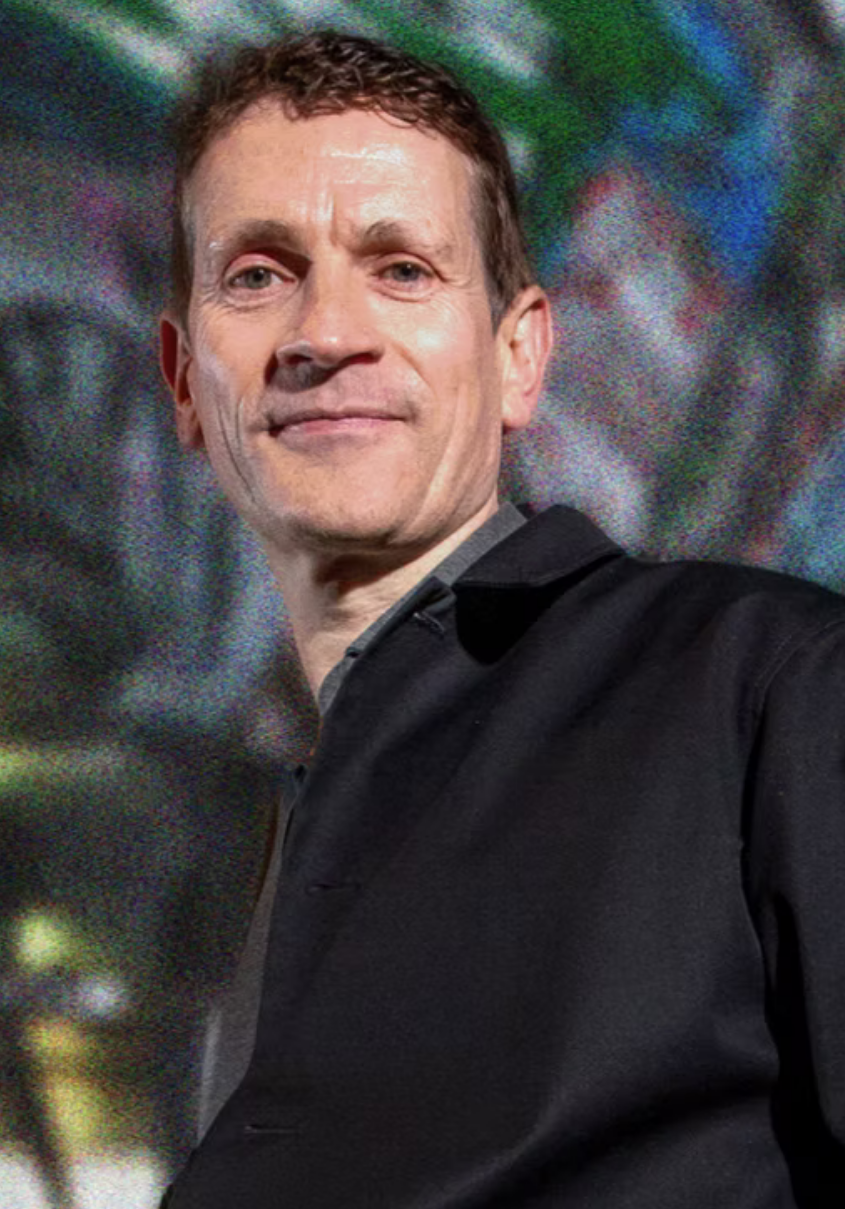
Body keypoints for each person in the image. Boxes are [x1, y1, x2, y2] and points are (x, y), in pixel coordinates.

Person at [157, 29, 845, 1208]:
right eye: (258, 276)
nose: (326, 334)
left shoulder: (757, 689)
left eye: (400, 270)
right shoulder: (249, 853)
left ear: (519, 355)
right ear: (183, 379)